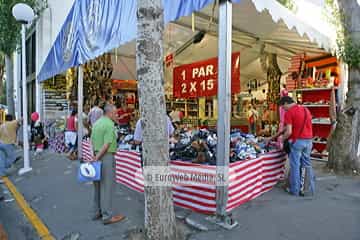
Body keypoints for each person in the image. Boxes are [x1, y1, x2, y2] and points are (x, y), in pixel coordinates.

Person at [267, 96, 315, 196]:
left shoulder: (289, 113)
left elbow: (288, 132)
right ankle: (307, 188)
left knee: (295, 166)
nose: (283, 109)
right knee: (306, 165)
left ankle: (295, 190)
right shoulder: (306, 110)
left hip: (297, 142)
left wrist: (281, 140)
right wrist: (274, 137)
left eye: (283, 107)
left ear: (285, 103)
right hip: (309, 141)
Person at [91, 104, 125, 225]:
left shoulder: (96, 123)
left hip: (96, 155)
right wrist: (98, 157)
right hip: (105, 157)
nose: (117, 115)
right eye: (115, 113)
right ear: (109, 113)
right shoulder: (110, 125)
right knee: (107, 187)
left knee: (97, 186)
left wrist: (94, 156)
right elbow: (106, 145)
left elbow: (92, 141)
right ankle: (108, 216)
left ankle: (96, 212)